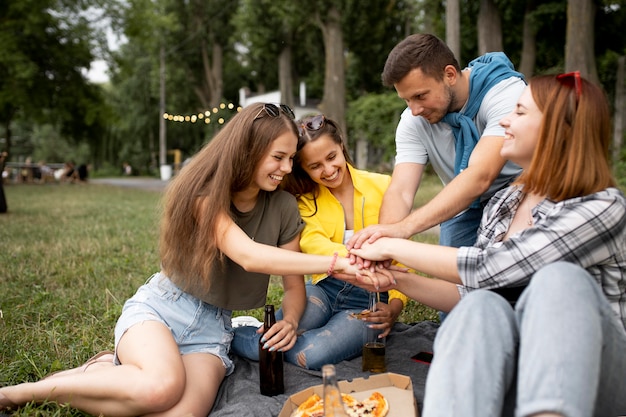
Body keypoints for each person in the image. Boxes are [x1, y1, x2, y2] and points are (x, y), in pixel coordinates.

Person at [0, 103, 378, 416]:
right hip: (165, 309)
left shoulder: (281, 206)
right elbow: (248, 256)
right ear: (247, 151)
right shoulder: (204, 194)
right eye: (277, 157)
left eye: (291, 159)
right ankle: (26, 392)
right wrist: (333, 263)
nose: (285, 168)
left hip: (214, 332)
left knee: (180, 413)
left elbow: (294, 288)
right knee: (160, 388)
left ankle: (103, 370)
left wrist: (291, 320)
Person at [348, 73, 626, 416]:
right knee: (479, 305)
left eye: (520, 113)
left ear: (559, 127)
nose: (505, 120)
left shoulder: (600, 207)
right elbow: (469, 288)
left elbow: (487, 266)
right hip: (515, 375)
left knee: (560, 281)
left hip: (595, 385)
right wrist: (393, 278)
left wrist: (391, 244)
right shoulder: (505, 202)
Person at [231, 114, 408, 370]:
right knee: (270, 342)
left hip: (368, 301)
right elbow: (313, 244)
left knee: (311, 355)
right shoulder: (304, 201)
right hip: (323, 290)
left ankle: (264, 341)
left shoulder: (383, 187)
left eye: (331, 157)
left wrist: (392, 309)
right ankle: (228, 335)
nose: (327, 170)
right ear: (303, 169)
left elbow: (404, 259)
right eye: (314, 166)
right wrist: (368, 256)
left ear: (341, 147)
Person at [348, 33, 526, 255]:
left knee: (511, 269)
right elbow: (401, 190)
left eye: (420, 96)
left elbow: (481, 176)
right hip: (464, 204)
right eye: (406, 100)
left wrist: (405, 228)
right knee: (453, 278)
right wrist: (384, 239)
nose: (414, 110)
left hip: (522, 191)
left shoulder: (505, 93)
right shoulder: (413, 120)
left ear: (449, 74)